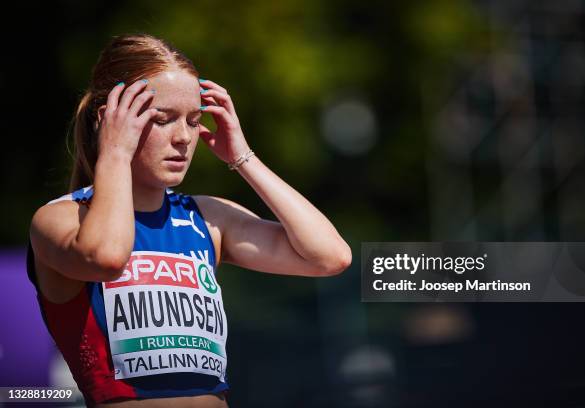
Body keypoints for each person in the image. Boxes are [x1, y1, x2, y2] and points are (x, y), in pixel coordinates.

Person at [27, 33, 352, 408]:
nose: (183, 137)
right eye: (163, 119)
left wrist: (243, 156)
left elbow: (330, 257)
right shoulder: (61, 218)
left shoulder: (207, 218)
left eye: (194, 120)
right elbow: (107, 258)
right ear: (109, 118)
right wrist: (114, 152)